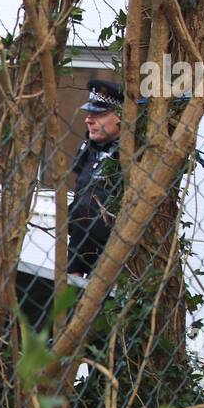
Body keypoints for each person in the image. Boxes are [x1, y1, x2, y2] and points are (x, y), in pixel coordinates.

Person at [67, 78, 127, 276]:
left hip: (114, 260)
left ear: (120, 115)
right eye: (89, 113)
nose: (88, 119)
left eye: (98, 114)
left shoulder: (128, 155)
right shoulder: (89, 148)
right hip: (79, 251)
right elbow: (80, 199)